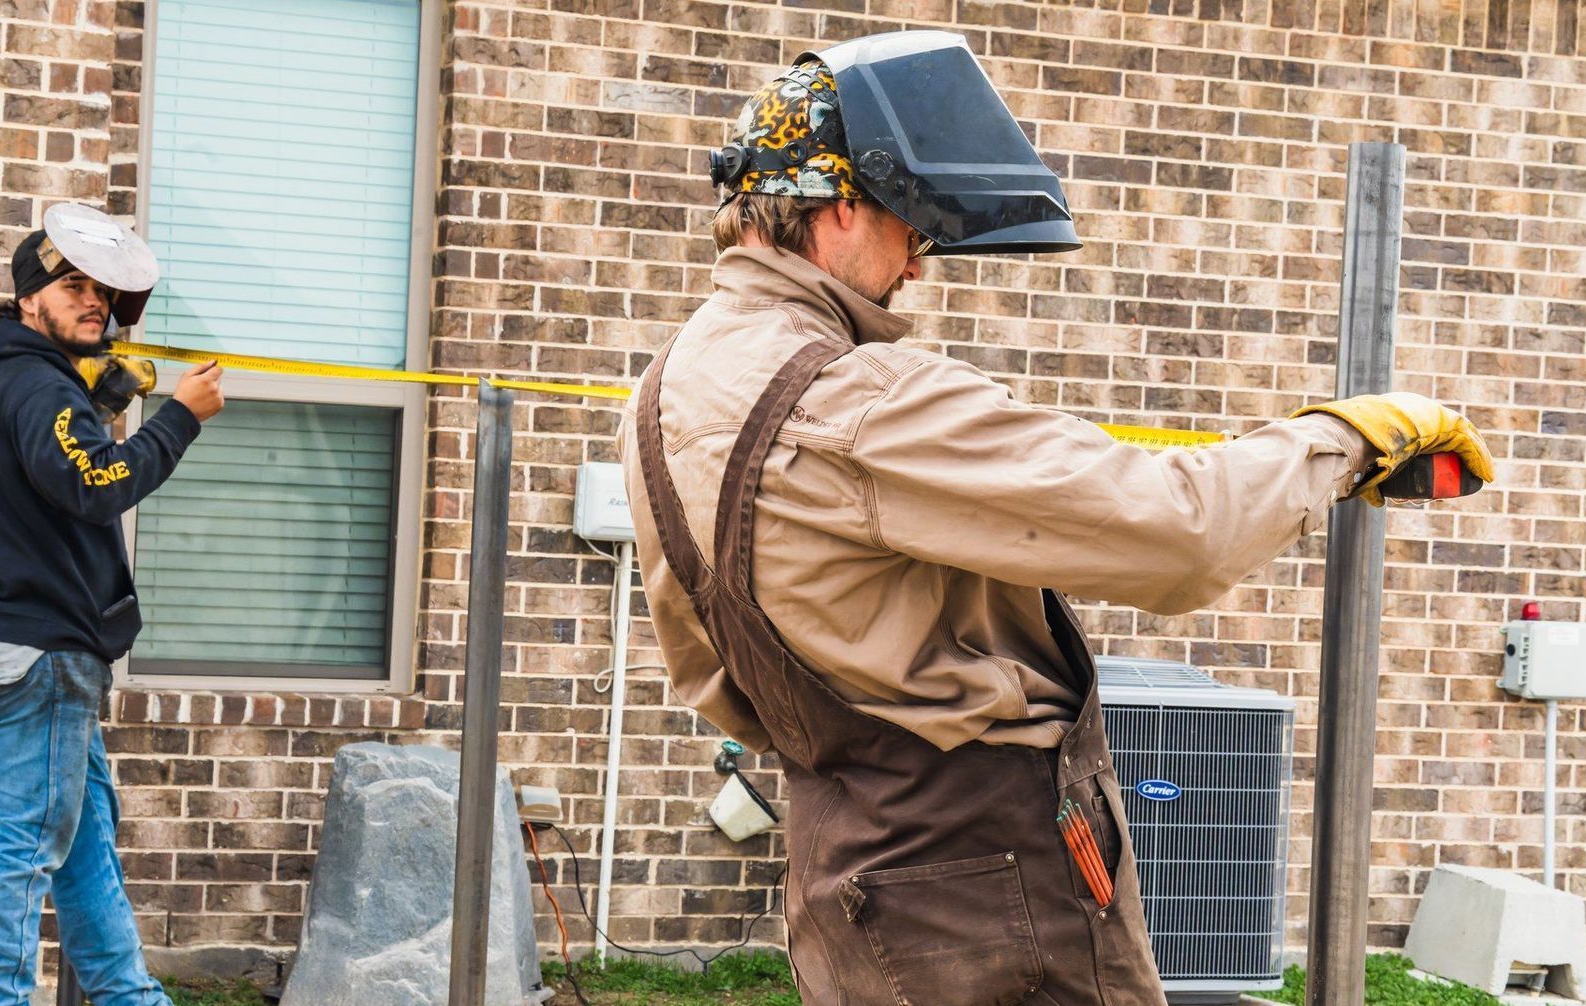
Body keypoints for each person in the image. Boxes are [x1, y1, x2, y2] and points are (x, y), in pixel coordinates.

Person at [621, 31, 1493, 1006]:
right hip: (993, 897)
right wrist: (1342, 438)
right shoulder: (852, 400)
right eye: (910, 222)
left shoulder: (667, 391)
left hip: (850, 882)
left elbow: (709, 668)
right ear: (842, 209)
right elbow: (1180, 531)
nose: (918, 262)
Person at [0, 203, 224, 1006]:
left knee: (84, 847)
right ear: (29, 300)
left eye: (102, 291)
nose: (94, 301)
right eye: (72, 286)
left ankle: (131, 998)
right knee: (20, 850)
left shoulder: (14, 382)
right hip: (37, 656)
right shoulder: (38, 385)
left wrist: (105, 410)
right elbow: (98, 484)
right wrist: (179, 420)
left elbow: (57, 474)